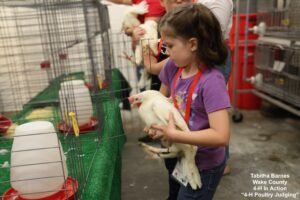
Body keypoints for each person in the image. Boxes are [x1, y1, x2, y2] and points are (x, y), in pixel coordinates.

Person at [146, 3, 231, 200]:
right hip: (181, 157)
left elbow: (221, 136)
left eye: (170, 45)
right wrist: (158, 127)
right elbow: (164, 106)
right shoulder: (174, 67)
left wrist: (175, 134)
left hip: (204, 166)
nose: (166, 50)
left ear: (193, 44)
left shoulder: (211, 82)